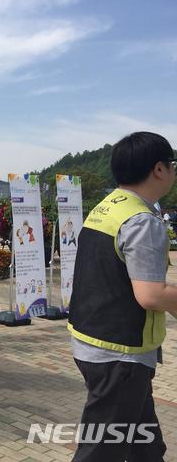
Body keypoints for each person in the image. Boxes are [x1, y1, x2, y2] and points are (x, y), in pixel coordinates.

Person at [68, 132, 177, 461]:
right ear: (159, 170)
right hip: (120, 355)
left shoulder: (106, 207)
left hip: (93, 341)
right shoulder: (142, 220)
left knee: (146, 446)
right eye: (172, 165)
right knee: (100, 451)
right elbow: (151, 295)